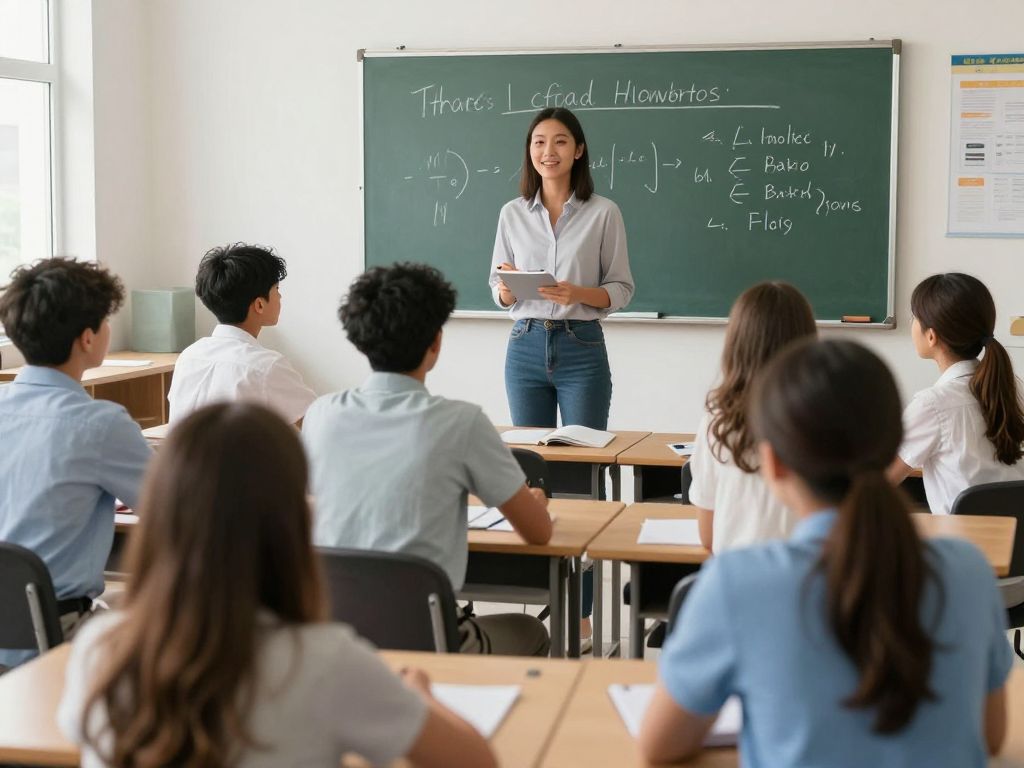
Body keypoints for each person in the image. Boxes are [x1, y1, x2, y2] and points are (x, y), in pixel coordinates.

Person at [58, 403, 497, 768]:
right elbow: (477, 761)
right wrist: (418, 695)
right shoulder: (325, 662)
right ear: (295, 521)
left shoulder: (100, 649)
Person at [639, 339, 1012, 767]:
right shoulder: (968, 571)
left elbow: (659, 745)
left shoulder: (737, 584)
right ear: (891, 441)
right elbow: (991, 735)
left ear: (773, 463)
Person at [303, 263, 553, 656]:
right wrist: (535, 503)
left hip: (337, 641)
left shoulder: (320, 415)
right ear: (435, 342)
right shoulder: (462, 423)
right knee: (530, 631)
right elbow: (539, 533)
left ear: (359, 341)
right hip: (432, 642)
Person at [489, 107, 634, 646]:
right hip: (524, 346)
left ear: (578, 151)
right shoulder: (511, 212)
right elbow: (497, 286)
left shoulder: (603, 213)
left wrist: (578, 293)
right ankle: (545, 598)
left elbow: (620, 289)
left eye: (559, 142)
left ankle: (584, 615)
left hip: (580, 348)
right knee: (532, 476)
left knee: (582, 483)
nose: (547, 151)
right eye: (538, 142)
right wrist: (507, 290)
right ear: (530, 151)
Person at [0, 258, 150, 670]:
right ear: (87, 339)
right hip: (52, 634)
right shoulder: (98, 425)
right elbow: (176, 506)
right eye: (105, 321)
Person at [689, 281, 817, 551]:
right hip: (806, 585)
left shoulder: (717, 424)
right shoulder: (825, 422)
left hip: (736, 584)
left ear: (736, 344)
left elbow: (708, 538)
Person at [889, 272, 1024, 514]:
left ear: (931, 336)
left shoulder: (932, 405)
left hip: (962, 545)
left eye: (914, 317)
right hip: (1011, 543)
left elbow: (880, 481)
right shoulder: (1011, 386)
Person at [167, 243, 316, 425]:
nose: (280, 297)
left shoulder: (189, 356)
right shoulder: (265, 366)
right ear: (259, 305)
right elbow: (317, 424)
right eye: (276, 290)